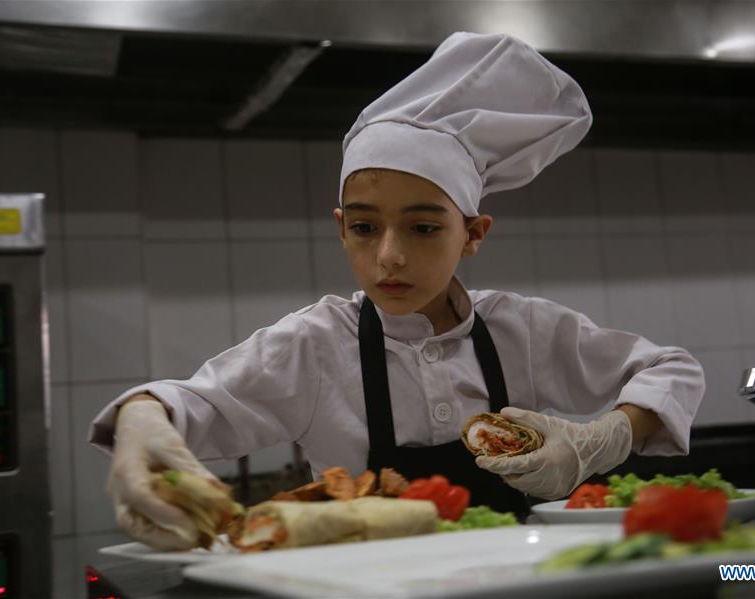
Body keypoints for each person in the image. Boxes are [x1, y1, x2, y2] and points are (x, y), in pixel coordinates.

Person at [89, 32, 704, 550]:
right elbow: (195, 405)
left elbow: (672, 369)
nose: (389, 256)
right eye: (364, 228)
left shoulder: (522, 331)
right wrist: (142, 414)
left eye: (423, 227)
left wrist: (602, 440)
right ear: (342, 229)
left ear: (473, 234)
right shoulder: (314, 346)